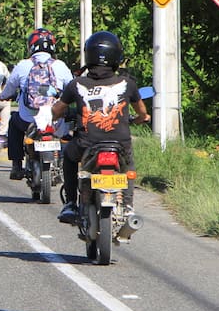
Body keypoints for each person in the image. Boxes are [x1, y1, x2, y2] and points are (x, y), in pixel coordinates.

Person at [51, 31, 151, 224]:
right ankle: (128, 207)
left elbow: (57, 110)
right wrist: (142, 118)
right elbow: (142, 112)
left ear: (88, 55)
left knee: (69, 159)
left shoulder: (77, 84)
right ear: (116, 56)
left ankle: (70, 204)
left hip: (86, 143)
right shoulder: (127, 84)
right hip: (119, 144)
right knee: (128, 166)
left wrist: (55, 115)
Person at [0, 28, 74, 180]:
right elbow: (72, 89)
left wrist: (3, 96)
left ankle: (17, 165)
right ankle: (65, 164)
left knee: (13, 121)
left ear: (31, 46)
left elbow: (9, 90)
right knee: (70, 128)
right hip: (55, 121)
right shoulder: (61, 66)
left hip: (28, 121)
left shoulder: (22, 65)